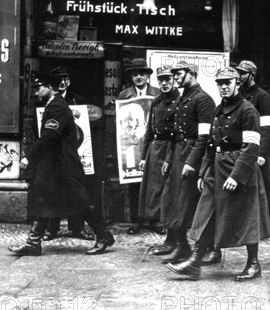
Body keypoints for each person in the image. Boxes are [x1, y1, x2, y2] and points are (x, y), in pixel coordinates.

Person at [165, 67, 270, 281]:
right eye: (220, 83)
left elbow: (251, 147)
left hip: (239, 168)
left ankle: (253, 264)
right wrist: (204, 172)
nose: (224, 86)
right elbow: (210, 145)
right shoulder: (217, 110)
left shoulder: (248, 110)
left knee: (247, 216)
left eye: (228, 82)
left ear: (237, 83)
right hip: (217, 167)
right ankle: (194, 262)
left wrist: (236, 176)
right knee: (207, 212)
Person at [9, 71, 114, 256]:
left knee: (81, 202)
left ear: (50, 87)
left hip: (64, 165)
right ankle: (33, 242)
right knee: (44, 199)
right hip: (54, 165)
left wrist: (29, 157)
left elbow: (49, 137)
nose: (36, 92)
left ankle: (104, 236)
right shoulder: (53, 104)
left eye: (40, 87)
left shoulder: (57, 106)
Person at [151, 62, 215, 264]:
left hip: (191, 156)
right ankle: (182, 248)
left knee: (190, 205)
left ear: (192, 74)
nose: (175, 77)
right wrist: (169, 159)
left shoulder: (203, 99)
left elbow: (204, 137)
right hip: (178, 153)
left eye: (179, 73)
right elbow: (174, 134)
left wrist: (192, 162)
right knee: (172, 203)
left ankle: (207, 249)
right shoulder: (184, 97)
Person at [43, 66, 92, 241]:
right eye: (59, 79)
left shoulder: (76, 100)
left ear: (69, 82)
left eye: (66, 79)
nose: (63, 82)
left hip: (71, 151)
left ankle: (77, 228)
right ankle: (51, 229)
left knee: (75, 191)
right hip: (54, 154)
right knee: (54, 190)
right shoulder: (46, 101)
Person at [236, 60, 270, 224]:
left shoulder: (262, 96)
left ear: (251, 75)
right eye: (239, 73)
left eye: (243, 73)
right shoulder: (240, 95)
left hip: (259, 145)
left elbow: (268, 127)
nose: (239, 76)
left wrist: (262, 153)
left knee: (268, 177)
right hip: (243, 144)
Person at [117, 58, 161, 235]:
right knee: (134, 182)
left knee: (155, 182)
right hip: (133, 145)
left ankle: (155, 220)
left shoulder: (157, 93)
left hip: (152, 143)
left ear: (148, 76)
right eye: (135, 74)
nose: (139, 77)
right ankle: (136, 220)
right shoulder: (124, 95)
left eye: (142, 74)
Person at [138, 66, 180, 240]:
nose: (164, 83)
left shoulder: (180, 100)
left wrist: (170, 156)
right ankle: (156, 219)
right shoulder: (156, 101)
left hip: (171, 147)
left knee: (167, 187)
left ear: (174, 80)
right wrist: (143, 155)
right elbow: (150, 129)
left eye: (168, 79)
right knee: (154, 187)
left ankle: (166, 222)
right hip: (155, 147)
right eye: (161, 80)